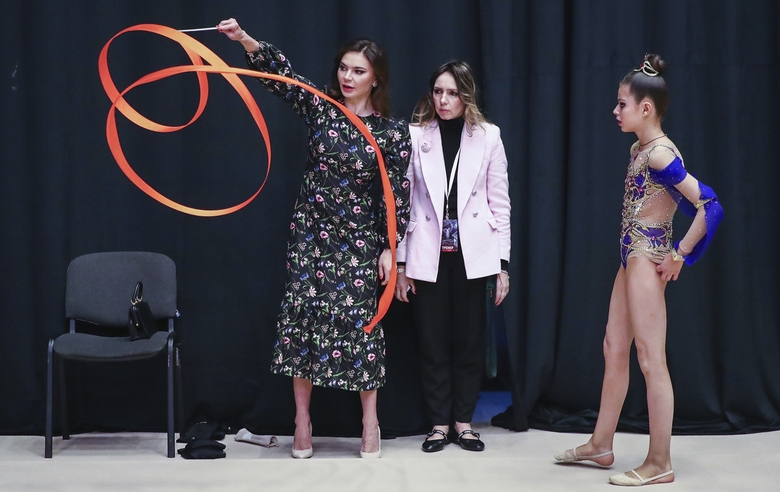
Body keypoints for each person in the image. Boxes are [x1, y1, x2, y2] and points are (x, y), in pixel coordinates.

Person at [217, 18, 411, 459]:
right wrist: (246, 40)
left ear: (375, 78)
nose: (347, 77)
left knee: (361, 330)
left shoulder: (393, 134)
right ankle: (301, 421)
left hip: (360, 242)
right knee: (301, 324)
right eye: (344, 67)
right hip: (311, 237)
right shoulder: (323, 107)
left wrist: (390, 250)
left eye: (358, 71)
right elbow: (283, 78)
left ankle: (369, 422)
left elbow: (397, 196)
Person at [554, 54, 723, 486]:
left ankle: (660, 461)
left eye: (621, 104)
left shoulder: (661, 155)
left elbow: (709, 205)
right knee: (614, 347)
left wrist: (681, 253)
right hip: (631, 258)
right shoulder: (640, 149)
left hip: (647, 259)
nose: (616, 111)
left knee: (651, 360)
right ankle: (601, 443)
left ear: (645, 108)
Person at [394, 61, 511, 453]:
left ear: (467, 96)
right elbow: (404, 204)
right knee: (431, 342)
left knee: (468, 342)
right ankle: (438, 425)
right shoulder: (413, 136)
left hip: (473, 254)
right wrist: (401, 264)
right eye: (438, 92)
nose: (444, 100)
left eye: (452, 93)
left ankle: (464, 423)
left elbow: (500, 204)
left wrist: (503, 265)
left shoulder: (489, 136)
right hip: (427, 251)